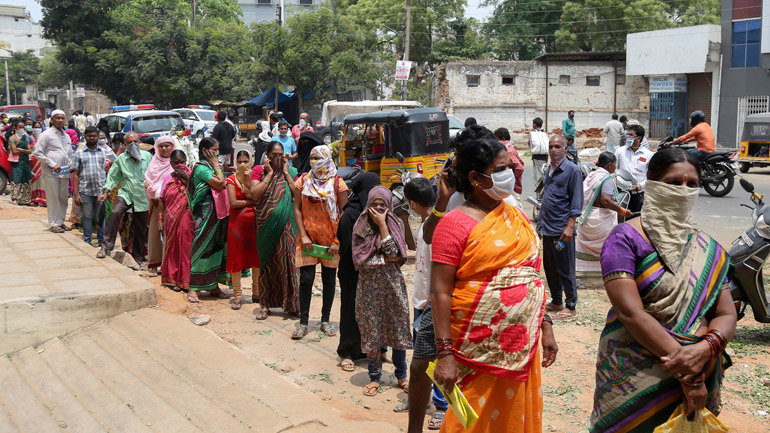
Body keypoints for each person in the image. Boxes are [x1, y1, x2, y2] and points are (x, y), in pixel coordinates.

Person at [590, 148, 736, 432]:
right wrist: (689, 373)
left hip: (699, 365)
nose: (683, 190)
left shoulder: (709, 249)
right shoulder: (624, 240)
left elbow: (726, 312)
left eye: (691, 184)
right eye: (673, 183)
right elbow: (630, 313)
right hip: (635, 378)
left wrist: (706, 348)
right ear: (653, 185)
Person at [431, 136, 558, 433]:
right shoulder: (454, 224)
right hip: (473, 349)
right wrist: (445, 354)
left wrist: (546, 325)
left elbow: (532, 275)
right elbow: (440, 292)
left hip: (520, 345)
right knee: (471, 422)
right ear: (475, 178)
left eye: (511, 168)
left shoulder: (514, 214)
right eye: (502, 169)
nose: (512, 175)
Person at [353, 186, 411, 397]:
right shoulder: (360, 226)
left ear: (389, 206)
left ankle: (402, 376)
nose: (378, 209)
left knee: (397, 329)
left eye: (382, 205)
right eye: (374, 205)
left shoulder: (396, 223)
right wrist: (385, 259)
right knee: (372, 332)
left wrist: (382, 226)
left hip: (392, 288)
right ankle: (374, 376)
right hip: (369, 290)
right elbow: (361, 260)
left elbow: (395, 253)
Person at [401, 176, 449, 431]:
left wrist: (432, 299)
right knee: (422, 356)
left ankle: (441, 406)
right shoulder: (425, 225)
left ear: (411, 203)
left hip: (431, 301)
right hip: (421, 298)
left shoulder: (434, 227)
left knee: (432, 356)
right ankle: (423, 400)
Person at [292, 144, 349, 338]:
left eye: (318, 158)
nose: (314, 162)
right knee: (306, 280)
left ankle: (325, 320)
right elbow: (297, 209)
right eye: (312, 158)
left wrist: (337, 240)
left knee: (329, 281)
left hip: (331, 240)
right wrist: (304, 235)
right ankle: (303, 322)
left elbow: (345, 214)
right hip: (308, 238)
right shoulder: (304, 181)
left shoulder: (338, 184)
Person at [250, 141, 301, 317]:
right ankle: (265, 304)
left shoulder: (292, 172)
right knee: (268, 263)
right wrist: (270, 174)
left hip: (287, 224)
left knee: (289, 262)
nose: (277, 159)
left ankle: (292, 304)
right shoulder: (259, 171)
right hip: (266, 225)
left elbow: (297, 195)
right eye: (274, 156)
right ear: (268, 156)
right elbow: (255, 195)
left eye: (281, 155)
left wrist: (286, 173)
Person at [336, 172, 381, 371]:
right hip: (351, 272)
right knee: (350, 310)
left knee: (371, 312)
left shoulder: (376, 213)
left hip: (370, 272)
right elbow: (349, 248)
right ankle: (346, 352)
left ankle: (370, 350)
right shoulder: (350, 215)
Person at [539, 135, 583, 319]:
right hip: (547, 227)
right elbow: (547, 197)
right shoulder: (549, 169)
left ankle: (570, 305)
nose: (553, 150)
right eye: (550, 146)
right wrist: (540, 224)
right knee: (550, 267)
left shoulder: (572, 171)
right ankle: (556, 300)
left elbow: (576, 200)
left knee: (565, 267)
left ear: (566, 149)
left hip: (562, 229)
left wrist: (570, 226)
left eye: (557, 146)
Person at [97, 131, 152, 262]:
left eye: (135, 142)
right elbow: (113, 176)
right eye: (129, 143)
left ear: (139, 142)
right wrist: (106, 191)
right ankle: (105, 247)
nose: (133, 145)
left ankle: (137, 255)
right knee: (115, 213)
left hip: (142, 195)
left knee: (141, 226)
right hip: (126, 193)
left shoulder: (147, 156)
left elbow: (153, 172)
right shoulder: (121, 159)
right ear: (124, 144)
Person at [187, 137, 230, 302]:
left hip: (217, 215)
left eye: (218, 149)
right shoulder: (202, 169)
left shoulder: (210, 167)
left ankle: (213, 286)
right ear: (204, 151)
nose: (217, 153)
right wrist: (217, 167)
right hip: (204, 217)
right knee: (202, 248)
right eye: (214, 150)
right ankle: (194, 288)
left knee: (216, 249)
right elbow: (220, 184)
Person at [575, 152, 632, 273]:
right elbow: (606, 200)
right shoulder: (607, 178)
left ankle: (585, 271)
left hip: (588, 217)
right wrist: (622, 211)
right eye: (615, 164)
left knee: (587, 249)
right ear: (609, 165)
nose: (616, 167)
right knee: (608, 245)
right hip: (601, 219)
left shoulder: (592, 175)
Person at [226, 150, 260, 310]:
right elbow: (233, 203)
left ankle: (256, 292)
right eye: (239, 161)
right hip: (237, 225)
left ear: (251, 161)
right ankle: (237, 295)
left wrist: (248, 180)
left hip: (254, 224)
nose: (243, 165)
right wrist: (251, 201)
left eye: (246, 161)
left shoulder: (256, 178)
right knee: (236, 258)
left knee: (256, 257)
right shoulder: (231, 180)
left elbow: (259, 197)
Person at [33, 109, 74, 233]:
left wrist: (71, 164)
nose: (60, 120)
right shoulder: (46, 134)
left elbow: (69, 152)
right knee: (53, 198)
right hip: (51, 172)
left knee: (63, 198)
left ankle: (61, 221)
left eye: (62, 118)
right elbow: (37, 152)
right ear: (52, 120)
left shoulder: (66, 135)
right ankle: (54, 223)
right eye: (58, 118)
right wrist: (51, 163)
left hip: (65, 172)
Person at [160, 150, 194, 292]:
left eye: (182, 162)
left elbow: (197, 192)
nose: (179, 165)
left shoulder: (192, 176)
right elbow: (162, 199)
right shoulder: (168, 178)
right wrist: (160, 219)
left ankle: (186, 281)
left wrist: (187, 178)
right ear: (171, 163)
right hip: (171, 217)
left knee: (186, 248)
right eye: (176, 162)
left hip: (187, 216)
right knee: (173, 247)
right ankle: (173, 279)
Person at [71, 126, 107, 247]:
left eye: (94, 136)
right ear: (85, 137)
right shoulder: (79, 153)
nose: (92, 138)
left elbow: (109, 172)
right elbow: (75, 174)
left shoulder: (104, 152)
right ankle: (87, 240)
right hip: (85, 190)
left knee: (100, 216)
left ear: (98, 137)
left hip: (100, 190)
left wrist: (107, 190)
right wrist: (76, 194)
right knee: (86, 216)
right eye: (89, 136)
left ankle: (102, 241)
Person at [144, 136, 175, 275]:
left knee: (169, 233)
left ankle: (166, 265)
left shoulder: (175, 162)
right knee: (155, 232)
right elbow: (148, 179)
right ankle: (153, 264)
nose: (164, 149)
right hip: (156, 203)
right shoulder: (153, 163)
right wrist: (148, 185)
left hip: (172, 203)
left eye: (167, 146)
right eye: (161, 146)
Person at [614, 124, 654, 214]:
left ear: (639, 138)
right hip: (621, 193)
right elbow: (614, 170)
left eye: (631, 135)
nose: (628, 137)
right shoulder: (620, 151)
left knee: (636, 220)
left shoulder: (647, 154)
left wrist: (640, 186)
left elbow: (651, 175)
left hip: (638, 194)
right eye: (627, 134)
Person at [8, 118, 33, 206]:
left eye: (23, 127)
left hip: (25, 161)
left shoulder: (25, 138)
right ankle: (15, 197)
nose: (21, 129)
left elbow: (30, 151)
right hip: (16, 162)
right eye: (19, 127)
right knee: (17, 178)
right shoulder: (12, 138)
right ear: (15, 128)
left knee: (26, 178)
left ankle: (26, 198)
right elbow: (14, 151)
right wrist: (24, 150)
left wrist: (21, 150)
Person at [493, 127, 524, 196]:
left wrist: (511, 179)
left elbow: (519, 168)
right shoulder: (510, 148)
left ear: (503, 139)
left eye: (497, 140)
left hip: (511, 188)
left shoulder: (508, 151)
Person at [29, 120, 46, 207]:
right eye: (35, 127)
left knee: (43, 181)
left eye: (39, 127)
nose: (37, 129)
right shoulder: (29, 138)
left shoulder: (44, 138)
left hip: (43, 163)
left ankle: (43, 200)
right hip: (34, 163)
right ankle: (35, 199)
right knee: (35, 181)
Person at [528, 117, 549, 184]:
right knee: (543, 173)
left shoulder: (532, 134)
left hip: (537, 157)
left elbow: (530, 143)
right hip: (545, 156)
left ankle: (540, 193)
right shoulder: (545, 133)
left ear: (534, 124)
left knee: (538, 176)